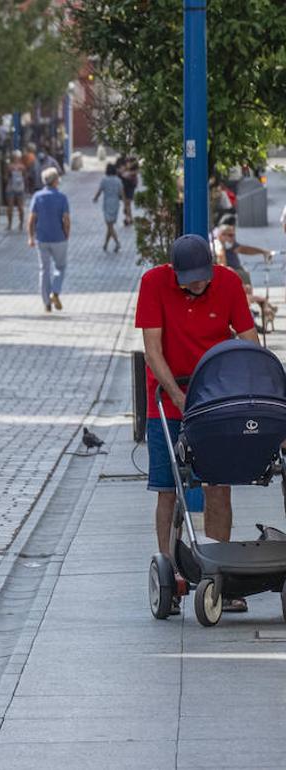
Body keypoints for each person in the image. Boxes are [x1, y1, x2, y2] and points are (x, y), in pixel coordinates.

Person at [135, 234, 257, 615]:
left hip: (215, 400)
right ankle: (170, 575)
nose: (197, 285)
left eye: (202, 277)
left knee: (218, 486)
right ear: (174, 272)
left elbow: (249, 340)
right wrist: (174, 394)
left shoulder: (229, 283)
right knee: (167, 490)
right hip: (169, 400)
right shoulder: (153, 283)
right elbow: (152, 350)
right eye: (189, 279)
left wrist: (256, 383)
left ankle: (222, 577)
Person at [212, 219, 277, 325]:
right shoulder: (219, 246)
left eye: (233, 235)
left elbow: (245, 249)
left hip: (238, 273)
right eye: (230, 235)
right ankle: (265, 309)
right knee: (245, 298)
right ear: (221, 235)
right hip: (234, 274)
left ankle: (262, 310)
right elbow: (226, 261)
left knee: (246, 297)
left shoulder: (230, 244)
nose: (233, 238)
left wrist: (262, 252)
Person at [28, 167, 70, 313]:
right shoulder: (62, 197)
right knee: (60, 267)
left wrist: (30, 237)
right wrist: (67, 234)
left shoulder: (37, 196)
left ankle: (46, 303)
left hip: (42, 238)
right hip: (59, 238)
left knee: (44, 270)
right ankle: (55, 292)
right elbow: (66, 219)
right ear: (55, 181)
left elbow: (32, 219)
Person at [93, 163, 124, 252]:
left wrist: (95, 198)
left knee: (109, 226)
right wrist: (125, 205)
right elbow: (122, 193)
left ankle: (117, 243)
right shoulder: (118, 180)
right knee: (110, 226)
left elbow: (99, 191)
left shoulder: (104, 180)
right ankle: (105, 245)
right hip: (116, 204)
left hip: (107, 204)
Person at [5, 150, 27, 231]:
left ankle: (20, 224)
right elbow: (6, 176)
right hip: (12, 187)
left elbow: (25, 177)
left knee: (20, 207)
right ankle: (10, 224)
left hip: (19, 188)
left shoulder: (22, 167)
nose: (16, 159)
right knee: (10, 207)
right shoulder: (10, 166)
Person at [119, 156, 139, 225]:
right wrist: (123, 171)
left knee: (128, 203)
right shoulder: (122, 161)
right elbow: (119, 171)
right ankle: (129, 219)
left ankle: (128, 218)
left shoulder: (134, 163)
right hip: (123, 185)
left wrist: (129, 173)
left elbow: (136, 171)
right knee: (126, 204)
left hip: (130, 186)